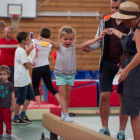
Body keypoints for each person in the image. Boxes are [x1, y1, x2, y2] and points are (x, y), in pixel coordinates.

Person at [82, 0, 130, 139]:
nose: (114, 10)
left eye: (117, 8)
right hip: (107, 63)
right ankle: (105, 128)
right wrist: (90, 47)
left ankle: (121, 131)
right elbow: (99, 40)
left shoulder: (132, 22)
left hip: (125, 64)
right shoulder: (106, 19)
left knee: (124, 98)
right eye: (112, 7)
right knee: (104, 96)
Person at [37, 26, 105, 122]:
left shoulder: (74, 47)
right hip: (61, 74)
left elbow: (89, 42)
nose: (68, 41)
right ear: (60, 39)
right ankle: (66, 114)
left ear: (73, 39)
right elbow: (50, 42)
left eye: (70, 39)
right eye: (65, 39)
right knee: (63, 95)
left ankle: (63, 112)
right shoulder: (59, 46)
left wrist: (99, 37)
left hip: (70, 75)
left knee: (67, 95)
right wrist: (41, 38)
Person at [105, 2, 140, 140]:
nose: (122, 22)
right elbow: (128, 39)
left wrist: (126, 70)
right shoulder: (133, 28)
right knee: (135, 111)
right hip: (132, 70)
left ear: (131, 17)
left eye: (124, 19)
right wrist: (115, 32)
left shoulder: (138, 30)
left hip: (135, 72)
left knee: (133, 112)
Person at [26, 28, 60, 107]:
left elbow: (27, 50)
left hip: (37, 67)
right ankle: (60, 102)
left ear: (40, 35)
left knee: (35, 86)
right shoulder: (49, 44)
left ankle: (38, 104)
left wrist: (29, 42)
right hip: (46, 67)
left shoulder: (35, 43)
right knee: (50, 86)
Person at [12, 32, 34, 125]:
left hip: (25, 79)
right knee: (20, 99)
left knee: (30, 95)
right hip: (21, 79)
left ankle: (23, 114)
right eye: (27, 39)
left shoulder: (22, 50)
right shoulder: (21, 51)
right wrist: (31, 58)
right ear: (23, 40)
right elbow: (28, 66)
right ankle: (16, 117)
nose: (28, 41)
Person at [0, 26, 18, 92]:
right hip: (1, 64)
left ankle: (15, 98)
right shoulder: (0, 41)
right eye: (6, 32)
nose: (6, 34)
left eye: (8, 32)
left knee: (12, 81)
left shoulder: (15, 42)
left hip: (11, 65)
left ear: (12, 33)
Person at [0, 65, 15, 138]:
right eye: (1, 74)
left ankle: (8, 132)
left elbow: (13, 95)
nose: (2, 76)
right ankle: (0, 132)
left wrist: (13, 105)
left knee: (7, 120)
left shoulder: (10, 84)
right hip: (0, 105)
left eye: (4, 74)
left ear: (8, 75)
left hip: (7, 106)